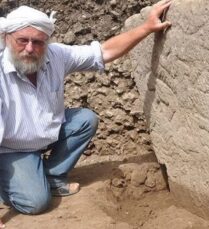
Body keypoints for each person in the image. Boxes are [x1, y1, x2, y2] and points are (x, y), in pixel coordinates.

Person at [0, 0, 172, 215]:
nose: (30, 48)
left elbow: (104, 52)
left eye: (38, 42)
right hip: (11, 148)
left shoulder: (56, 56)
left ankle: (51, 177)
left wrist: (146, 27)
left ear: (47, 41)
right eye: (22, 40)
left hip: (44, 135)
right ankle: (6, 185)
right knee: (35, 203)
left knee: (84, 119)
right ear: (6, 38)